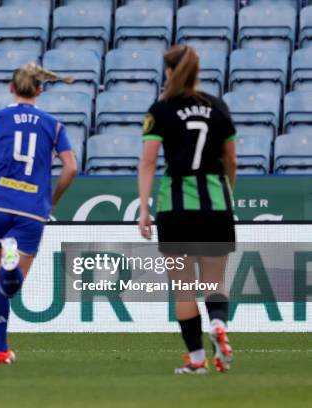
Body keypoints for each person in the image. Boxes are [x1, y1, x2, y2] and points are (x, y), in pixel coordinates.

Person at [0, 63, 77, 364]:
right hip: (31, 208)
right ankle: (10, 268)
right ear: (40, 90)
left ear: (11, 88)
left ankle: (0, 349)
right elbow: (71, 167)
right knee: (10, 285)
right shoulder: (53, 124)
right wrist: (52, 198)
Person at [137, 45, 237, 374]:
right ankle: (218, 324)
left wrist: (144, 209)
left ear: (168, 72)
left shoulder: (160, 109)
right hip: (215, 204)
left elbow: (149, 161)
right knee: (214, 284)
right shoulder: (218, 107)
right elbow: (231, 160)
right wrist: (227, 196)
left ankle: (196, 360)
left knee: (183, 288)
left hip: (175, 207)